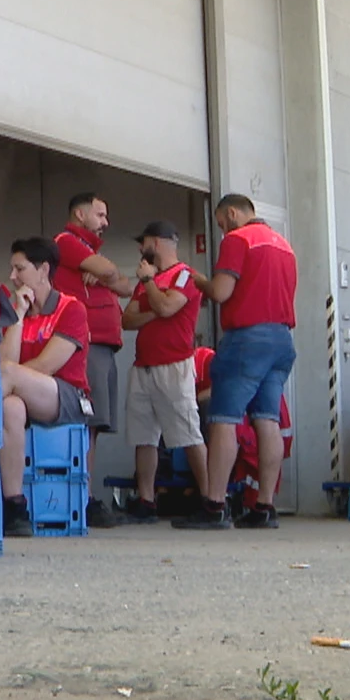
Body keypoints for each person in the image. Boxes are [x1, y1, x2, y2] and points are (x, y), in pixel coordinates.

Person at [179, 194, 297, 530]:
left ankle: (214, 505)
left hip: (247, 339)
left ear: (231, 213)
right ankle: (264, 507)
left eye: (220, 222)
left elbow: (220, 292)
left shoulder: (238, 238)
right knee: (267, 419)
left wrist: (196, 278)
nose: (221, 230)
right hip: (281, 339)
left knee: (224, 419)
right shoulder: (284, 245)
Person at [0, 237, 95, 537]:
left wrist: (12, 378)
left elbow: (45, 367)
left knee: (8, 378)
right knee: (9, 408)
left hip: (67, 397)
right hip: (24, 395)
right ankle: (14, 507)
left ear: (43, 271)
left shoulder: (71, 309)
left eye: (20, 269)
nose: (13, 277)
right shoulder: (17, 312)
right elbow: (5, 361)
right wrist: (17, 318)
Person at [118, 220, 206, 524]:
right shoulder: (147, 281)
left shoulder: (185, 275)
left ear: (156, 242)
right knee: (144, 436)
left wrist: (153, 290)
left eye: (143, 243)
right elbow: (127, 319)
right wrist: (156, 306)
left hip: (175, 364)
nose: (141, 251)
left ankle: (210, 497)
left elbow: (170, 308)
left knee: (187, 431)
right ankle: (146, 499)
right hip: (143, 364)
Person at [53, 194, 138, 470]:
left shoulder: (91, 251)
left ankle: (86, 492)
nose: (106, 222)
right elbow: (110, 271)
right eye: (100, 215)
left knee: (96, 423)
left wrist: (104, 273)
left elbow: (126, 286)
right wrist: (105, 272)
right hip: (85, 346)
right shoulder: (66, 242)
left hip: (103, 346)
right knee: (86, 421)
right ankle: (84, 496)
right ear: (80, 214)